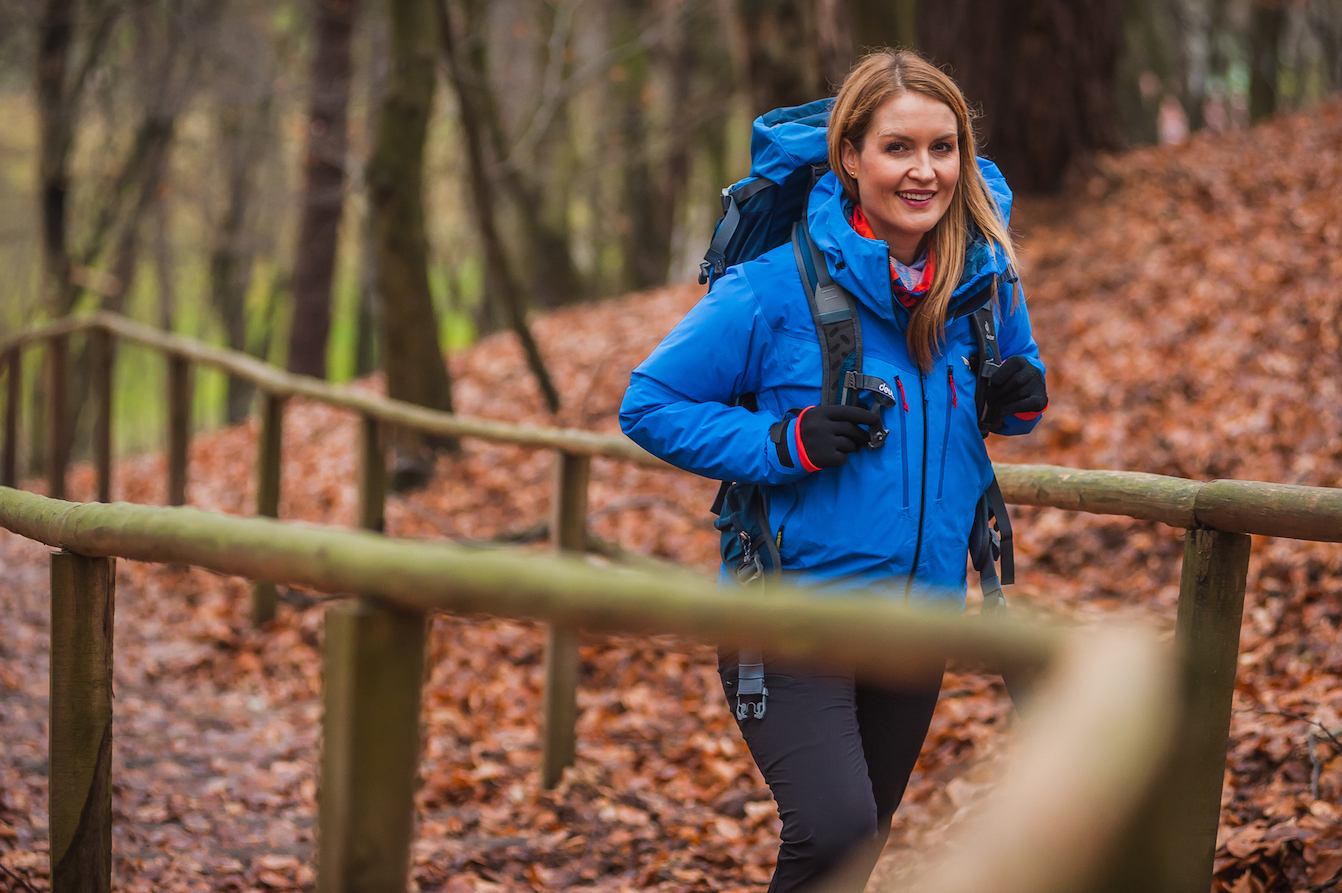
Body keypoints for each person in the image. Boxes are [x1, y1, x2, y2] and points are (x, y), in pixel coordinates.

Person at [619, 49, 1047, 893]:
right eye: (898, 148)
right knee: (837, 829)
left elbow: (1011, 405)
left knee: (856, 850)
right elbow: (650, 403)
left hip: (920, 619)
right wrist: (788, 442)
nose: (924, 171)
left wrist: (1020, 396)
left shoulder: (985, 281)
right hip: (790, 612)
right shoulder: (771, 289)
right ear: (850, 156)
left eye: (943, 147)